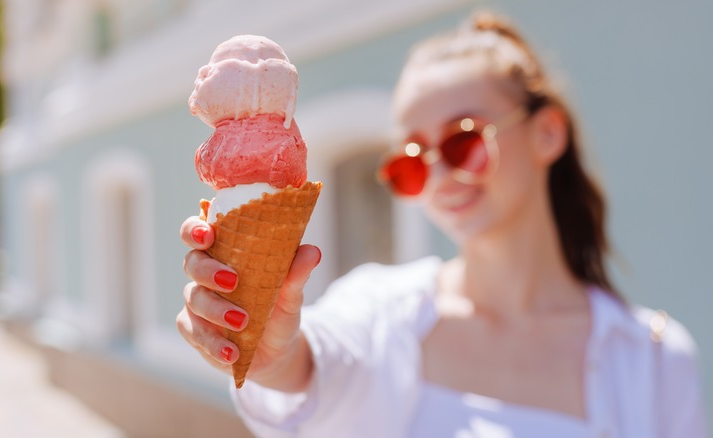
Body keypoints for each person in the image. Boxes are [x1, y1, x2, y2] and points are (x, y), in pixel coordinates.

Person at [177, 11, 707, 437]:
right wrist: (276, 358)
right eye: (410, 161)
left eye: (463, 141)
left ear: (547, 133)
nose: (438, 174)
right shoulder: (382, 307)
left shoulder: (656, 362)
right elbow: (316, 363)